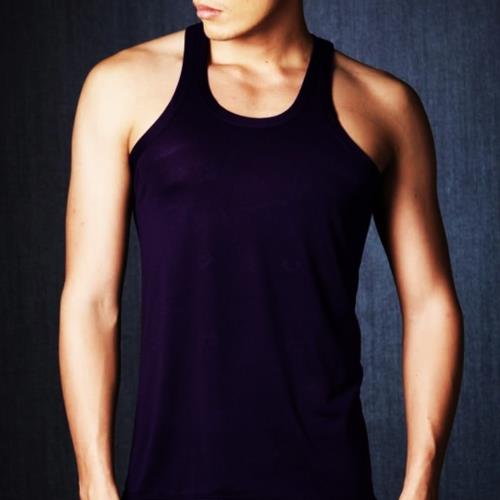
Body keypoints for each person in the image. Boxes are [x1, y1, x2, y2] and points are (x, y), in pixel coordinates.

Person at [58, 1, 464, 499]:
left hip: (328, 480)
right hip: (174, 480)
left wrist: (422, 482)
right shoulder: (121, 88)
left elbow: (430, 304)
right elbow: (91, 300)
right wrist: (93, 481)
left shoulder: (384, 106)